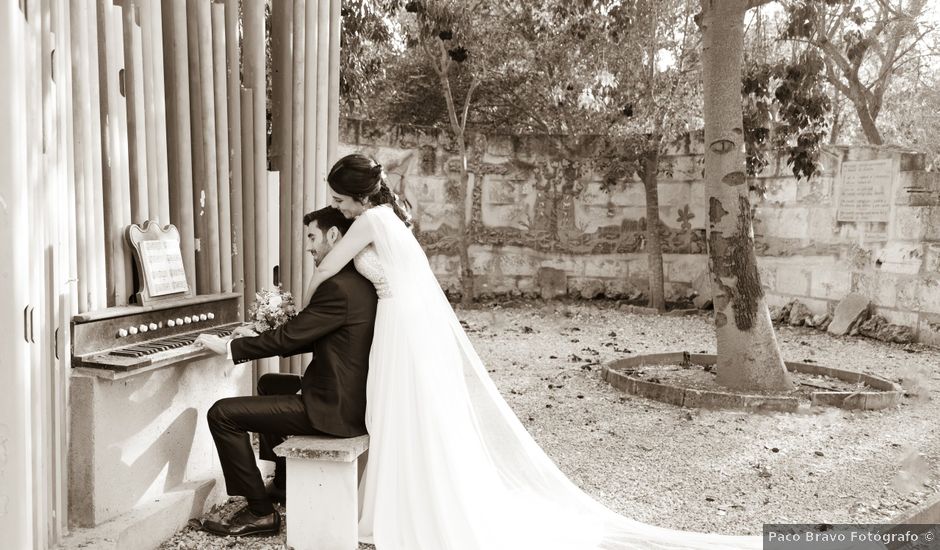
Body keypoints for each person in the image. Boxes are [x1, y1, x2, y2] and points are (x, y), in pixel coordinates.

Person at [305, 153, 762, 549]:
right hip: (404, 321)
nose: (337, 208)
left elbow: (327, 266)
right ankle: (405, 501)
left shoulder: (368, 221)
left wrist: (297, 307)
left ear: (359, 197)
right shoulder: (392, 218)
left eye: (340, 200)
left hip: (398, 323)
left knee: (397, 412)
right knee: (406, 413)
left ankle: (403, 509)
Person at [194, 206, 378, 537]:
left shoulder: (338, 287)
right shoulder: (358, 283)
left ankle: (259, 512)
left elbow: (291, 336)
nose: (308, 246)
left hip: (333, 411)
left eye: (312, 237)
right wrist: (255, 336)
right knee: (269, 383)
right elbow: (312, 335)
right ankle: (282, 482)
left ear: (333, 236)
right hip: (348, 396)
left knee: (222, 414)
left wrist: (231, 348)